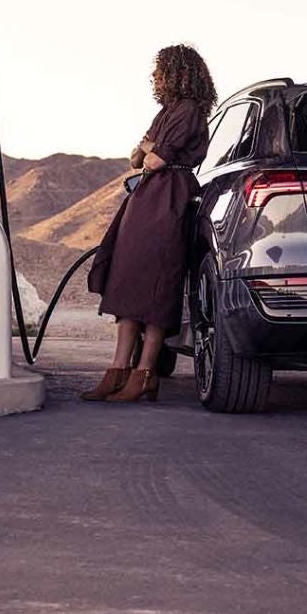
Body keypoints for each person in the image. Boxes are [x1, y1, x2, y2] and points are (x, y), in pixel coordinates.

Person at [83, 44, 216, 403]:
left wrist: (150, 149)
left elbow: (154, 160)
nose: (155, 78)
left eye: (160, 71)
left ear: (179, 73)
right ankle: (117, 371)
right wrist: (148, 149)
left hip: (169, 197)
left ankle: (144, 373)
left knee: (157, 284)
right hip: (148, 197)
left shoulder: (189, 111)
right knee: (128, 279)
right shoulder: (167, 111)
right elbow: (135, 159)